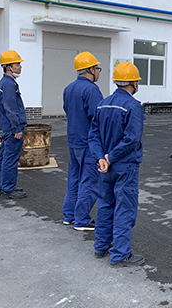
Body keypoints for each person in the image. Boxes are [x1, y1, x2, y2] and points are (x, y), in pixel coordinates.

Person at [89, 61, 145, 266]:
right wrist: (110, 157)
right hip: (124, 165)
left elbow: (93, 135)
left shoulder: (102, 104)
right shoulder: (133, 106)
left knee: (105, 204)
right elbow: (132, 139)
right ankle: (120, 253)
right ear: (133, 83)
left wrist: (101, 158)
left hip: (105, 167)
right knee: (124, 208)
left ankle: (101, 245)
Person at [62, 52, 104, 230]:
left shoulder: (69, 88)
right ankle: (82, 219)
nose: (99, 72)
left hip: (73, 140)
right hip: (88, 142)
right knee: (90, 181)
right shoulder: (91, 90)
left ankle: (69, 214)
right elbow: (99, 117)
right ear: (91, 69)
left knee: (74, 178)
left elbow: (67, 110)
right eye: (98, 68)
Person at [0, 50, 28, 199]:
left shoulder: (6, 82)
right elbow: (10, 109)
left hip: (7, 128)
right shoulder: (9, 84)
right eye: (17, 64)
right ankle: (8, 188)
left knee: (4, 158)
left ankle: (3, 186)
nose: (20, 67)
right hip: (12, 129)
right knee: (10, 159)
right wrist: (17, 128)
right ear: (9, 67)